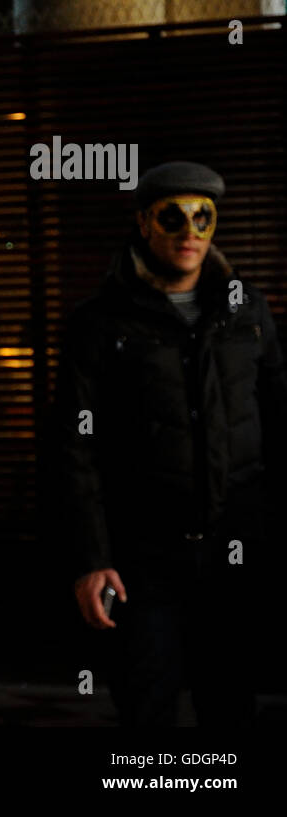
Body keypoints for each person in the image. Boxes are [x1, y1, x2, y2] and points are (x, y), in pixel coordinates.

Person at [57, 160, 287, 726]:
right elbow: (74, 448)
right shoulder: (99, 323)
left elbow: (280, 421)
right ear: (145, 222)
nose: (190, 232)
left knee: (230, 700)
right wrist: (92, 559)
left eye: (203, 218)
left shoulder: (247, 311)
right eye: (174, 216)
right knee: (146, 702)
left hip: (236, 545)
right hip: (143, 555)